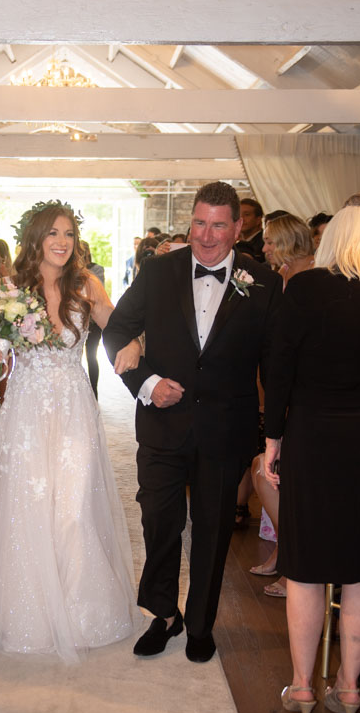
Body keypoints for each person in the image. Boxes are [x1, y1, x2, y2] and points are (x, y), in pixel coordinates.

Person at [104, 182, 282, 663]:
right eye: (199, 223)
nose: (206, 235)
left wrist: (278, 433)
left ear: (238, 227)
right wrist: (145, 382)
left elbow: (275, 364)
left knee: (214, 528)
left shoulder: (264, 282)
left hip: (226, 429)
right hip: (162, 424)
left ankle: (201, 622)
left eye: (218, 224)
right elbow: (117, 330)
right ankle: (163, 614)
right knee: (159, 522)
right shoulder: (159, 272)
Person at [0, 202, 141, 664]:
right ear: (35, 238)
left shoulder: (85, 283)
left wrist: (132, 343)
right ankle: (29, 612)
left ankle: (81, 611)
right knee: (30, 504)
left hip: (73, 409)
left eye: (69, 233)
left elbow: (120, 325)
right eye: (53, 232)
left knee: (72, 508)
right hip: (27, 412)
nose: (62, 241)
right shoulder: (9, 289)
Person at [263, 206, 360, 713]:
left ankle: (302, 685)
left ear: (331, 240)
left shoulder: (307, 289)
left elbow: (279, 368)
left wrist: (272, 438)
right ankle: (350, 688)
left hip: (314, 438)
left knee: (306, 567)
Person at [80, 240, 104, 399]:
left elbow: (97, 295)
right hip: (78, 322)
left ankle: (94, 392)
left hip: (94, 323)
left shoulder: (96, 269)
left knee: (91, 355)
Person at [235, 197, 265, 263]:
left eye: (247, 215)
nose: (242, 219)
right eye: (238, 215)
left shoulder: (264, 242)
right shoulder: (235, 242)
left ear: (258, 220)